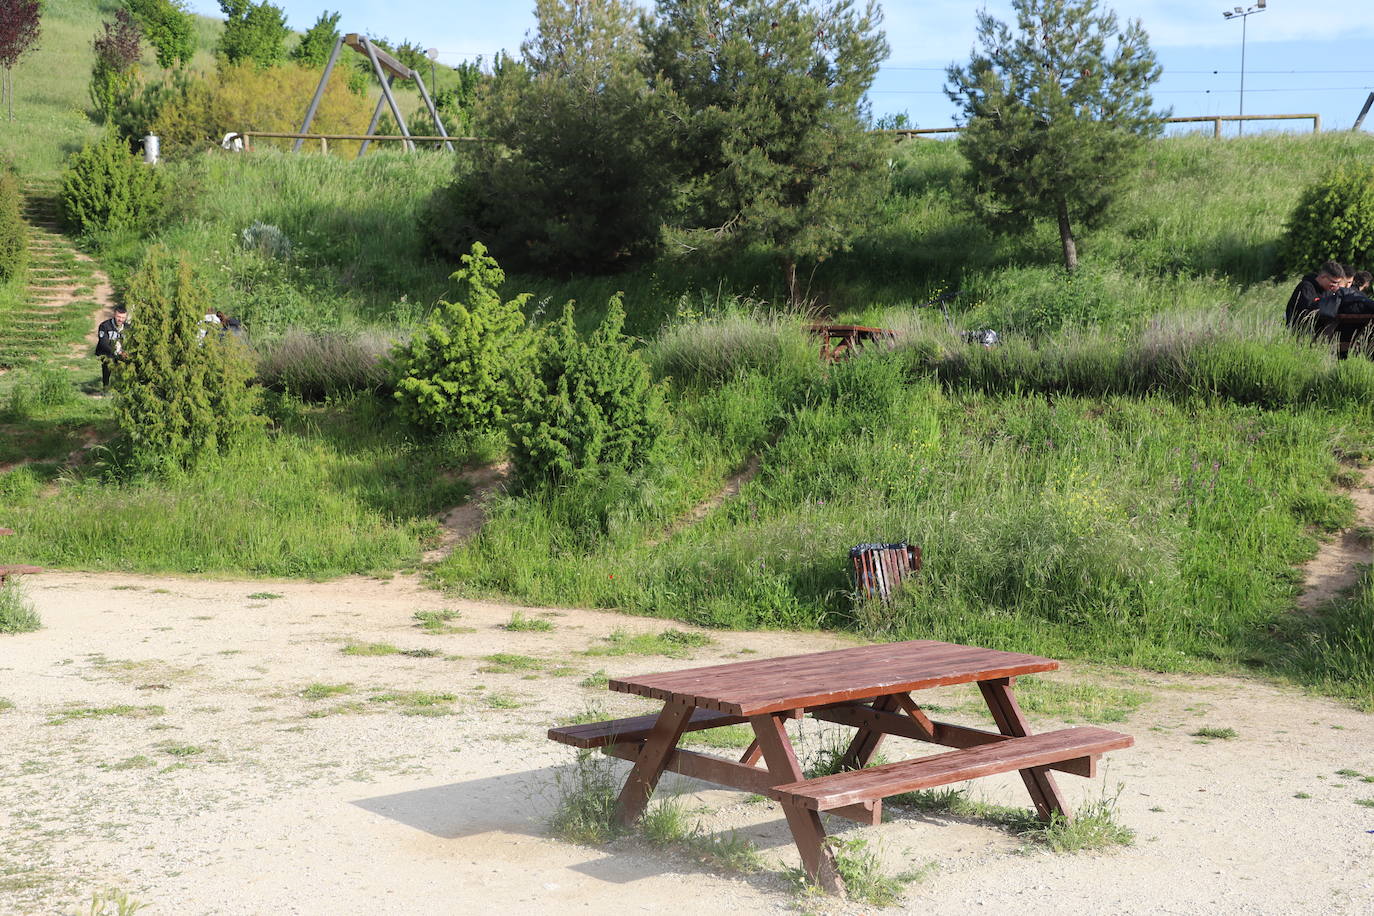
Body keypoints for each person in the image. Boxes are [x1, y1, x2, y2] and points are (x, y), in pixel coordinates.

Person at [1285, 260, 1347, 327]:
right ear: (1323, 276)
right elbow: (1310, 312)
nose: (1336, 286)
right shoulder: (1305, 287)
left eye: (1338, 283)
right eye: (1334, 282)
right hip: (1300, 332)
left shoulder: (1329, 291)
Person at [94, 304, 129, 389]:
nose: (120, 319)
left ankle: (123, 387)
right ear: (114, 315)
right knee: (108, 363)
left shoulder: (128, 328)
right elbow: (103, 343)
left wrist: (126, 352)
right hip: (106, 352)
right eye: (118, 317)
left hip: (122, 352)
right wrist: (117, 352)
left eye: (123, 317)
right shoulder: (104, 326)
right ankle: (105, 386)